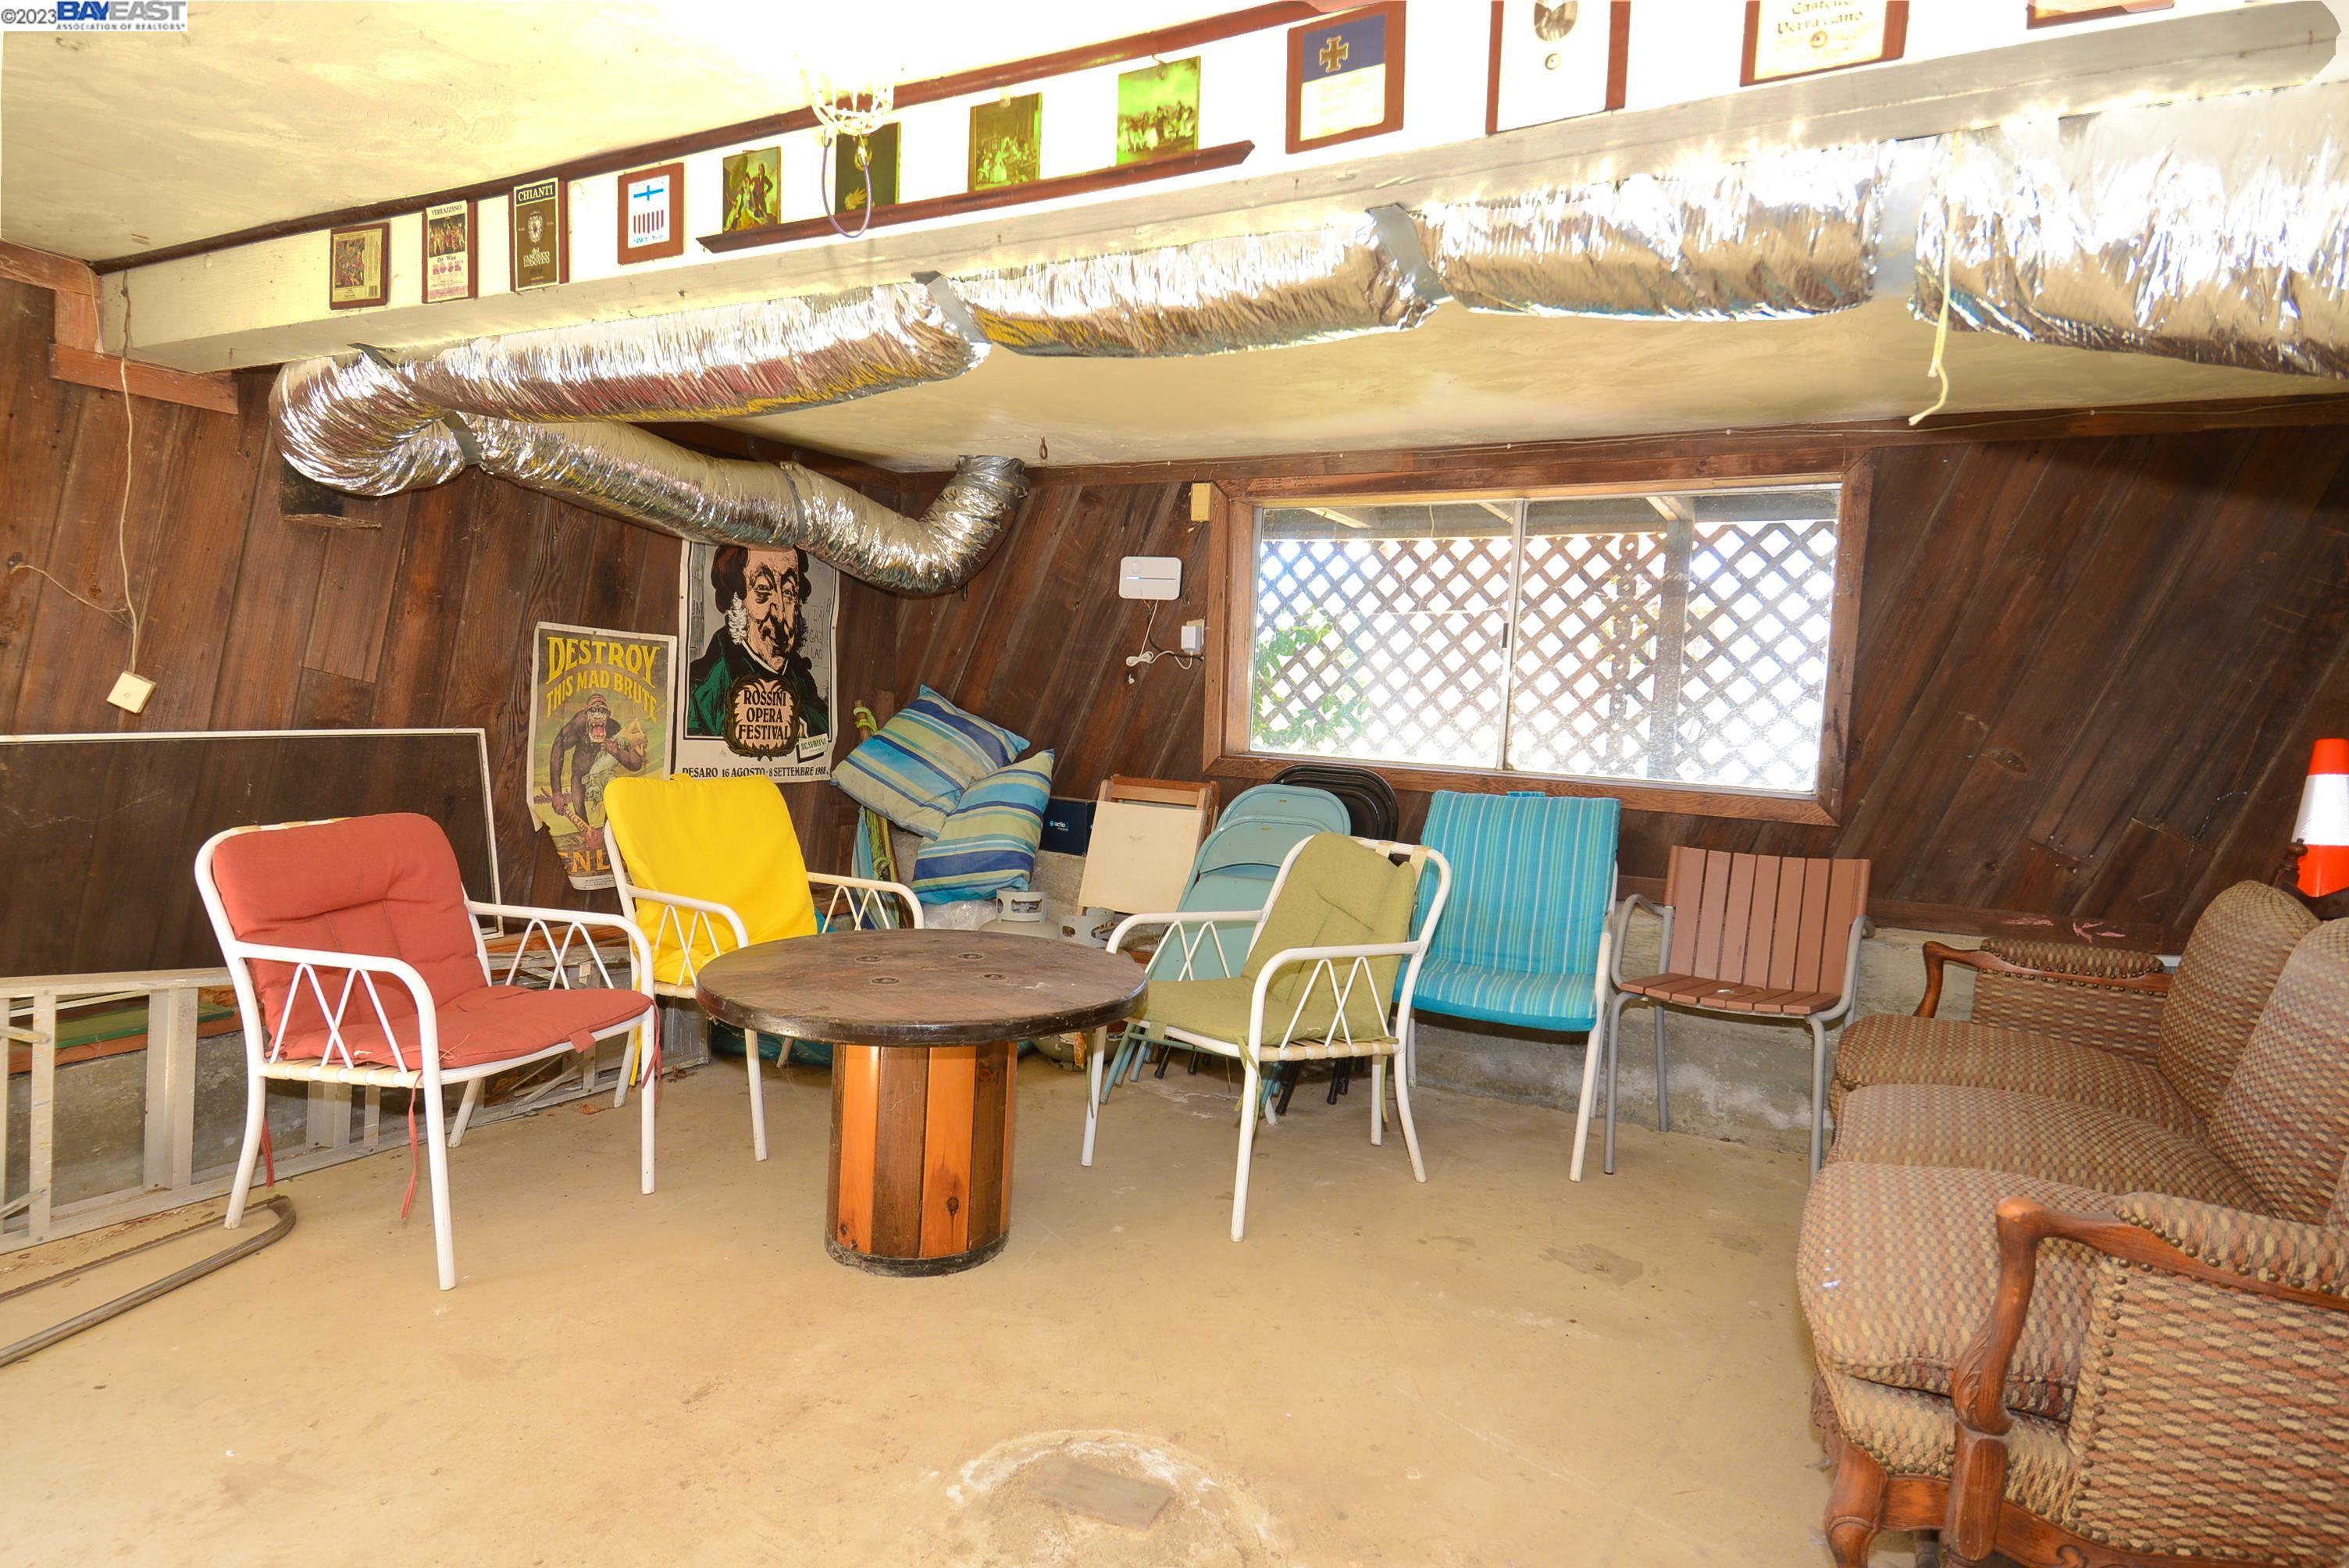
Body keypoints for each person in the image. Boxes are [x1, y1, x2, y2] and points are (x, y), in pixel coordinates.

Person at [686, 543, 829, 754]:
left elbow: (823, 737)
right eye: (763, 590)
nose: (780, 614)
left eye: (788, 592)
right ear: (736, 601)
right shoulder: (702, 687)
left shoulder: (802, 680)